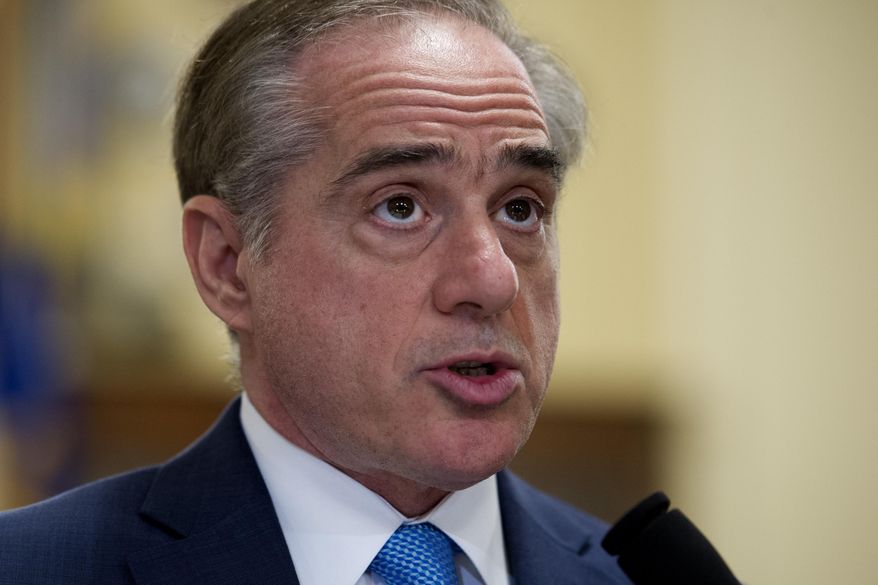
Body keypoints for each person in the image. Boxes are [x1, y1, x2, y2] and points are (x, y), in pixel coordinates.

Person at [0, 1, 631, 583]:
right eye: (401, 206)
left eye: (520, 210)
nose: (494, 280)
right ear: (226, 263)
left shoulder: (636, 574)